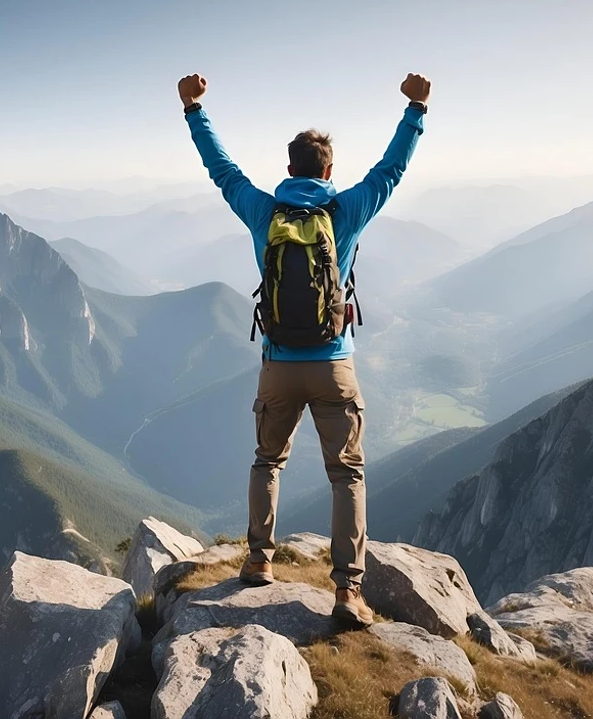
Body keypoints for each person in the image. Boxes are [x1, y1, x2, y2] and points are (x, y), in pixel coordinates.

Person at [178, 71, 430, 627]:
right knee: (347, 475)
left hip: (277, 365)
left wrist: (195, 110)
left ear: (289, 170)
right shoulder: (347, 212)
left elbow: (223, 172)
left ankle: (259, 561)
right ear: (329, 172)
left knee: (268, 460)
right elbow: (391, 170)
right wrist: (415, 109)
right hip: (334, 363)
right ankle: (347, 593)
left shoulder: (263, 212)